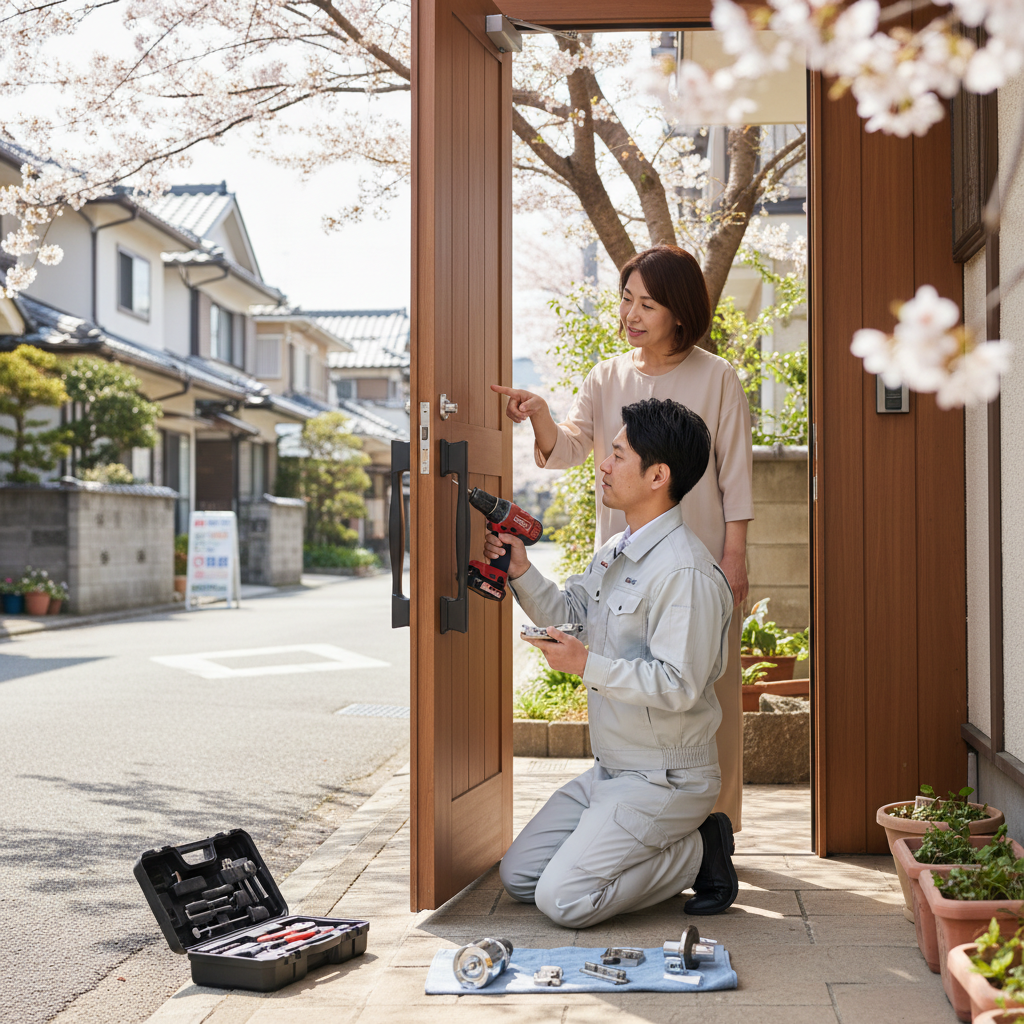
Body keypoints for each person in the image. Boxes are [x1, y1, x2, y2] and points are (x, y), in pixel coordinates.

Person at [491, 244, 753, 831]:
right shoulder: (606, 375)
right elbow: (571, 447)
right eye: (626, 300)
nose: (631, 314)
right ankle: (631, 816)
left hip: (699, 557)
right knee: (619, 679)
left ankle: (715, 829)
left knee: (710, 691)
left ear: (680, 312)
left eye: (648, 304)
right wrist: (539, 414)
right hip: (623, 562)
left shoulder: (717, 377)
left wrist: (734, 555)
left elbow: (734, 473)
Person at [493, 398, 738, 928]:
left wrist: (587, 666)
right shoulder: (614, 550)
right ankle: (650, 843)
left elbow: (680, 684)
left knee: (563, 901)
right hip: (610, 769)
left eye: (618, 454)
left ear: (658, 476)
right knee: (520, 879)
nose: (603, 464)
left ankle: (698, 851)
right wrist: (520, 571)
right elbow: (571, 614)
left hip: (665, 777)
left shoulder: (685, 574)